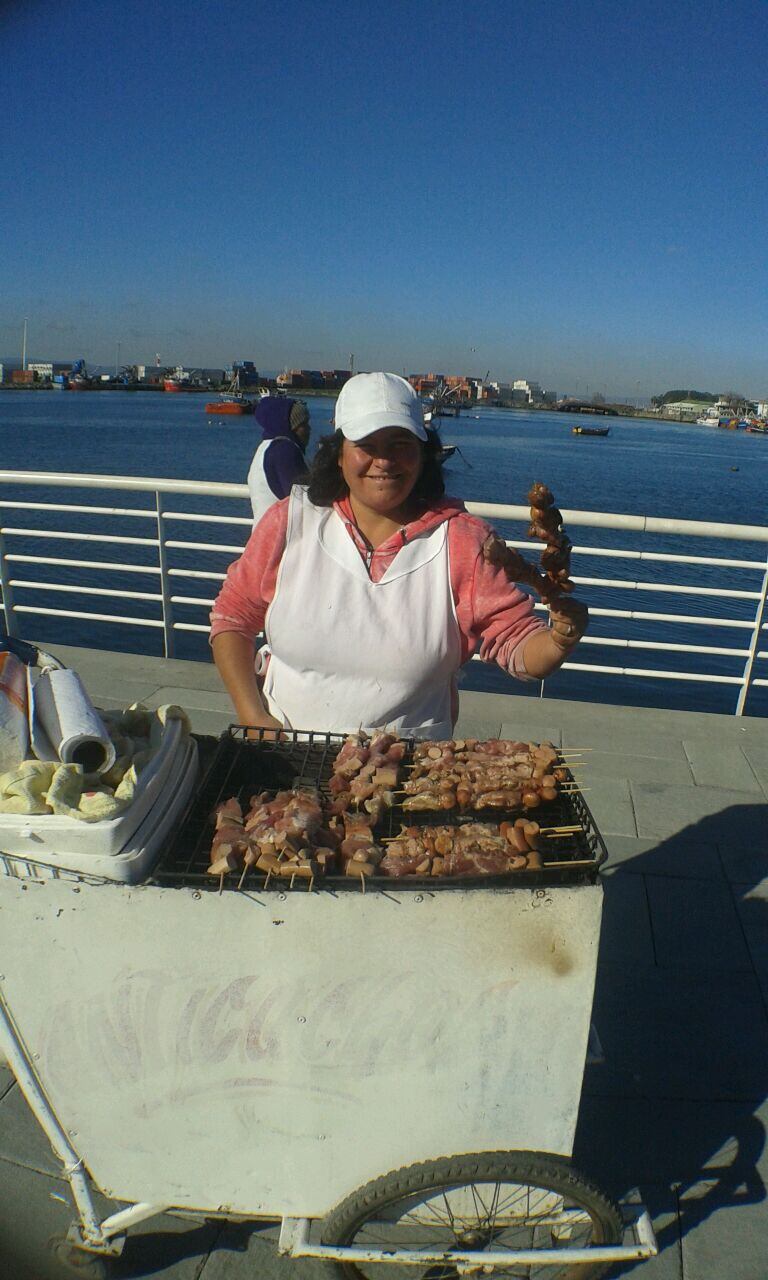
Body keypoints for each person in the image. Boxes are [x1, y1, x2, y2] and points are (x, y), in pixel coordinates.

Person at [211, 372, 588, 739]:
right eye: (366, 445)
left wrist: (558, 640)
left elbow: (517, 645)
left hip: (411, 773)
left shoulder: (463, 540)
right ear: (339, 454)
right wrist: (252, 714)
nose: (384, 460)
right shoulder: (287, 523)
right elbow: (232, 619)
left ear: (423, 455)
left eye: (400, 445)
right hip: (288, 756)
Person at [247, 395, 311, 522]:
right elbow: (305, 502)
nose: (309, 429)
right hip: (285, 538)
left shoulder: (265, 447)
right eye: (303, 424)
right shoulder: (284, 451)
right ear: (290, 427)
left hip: (264, 533)